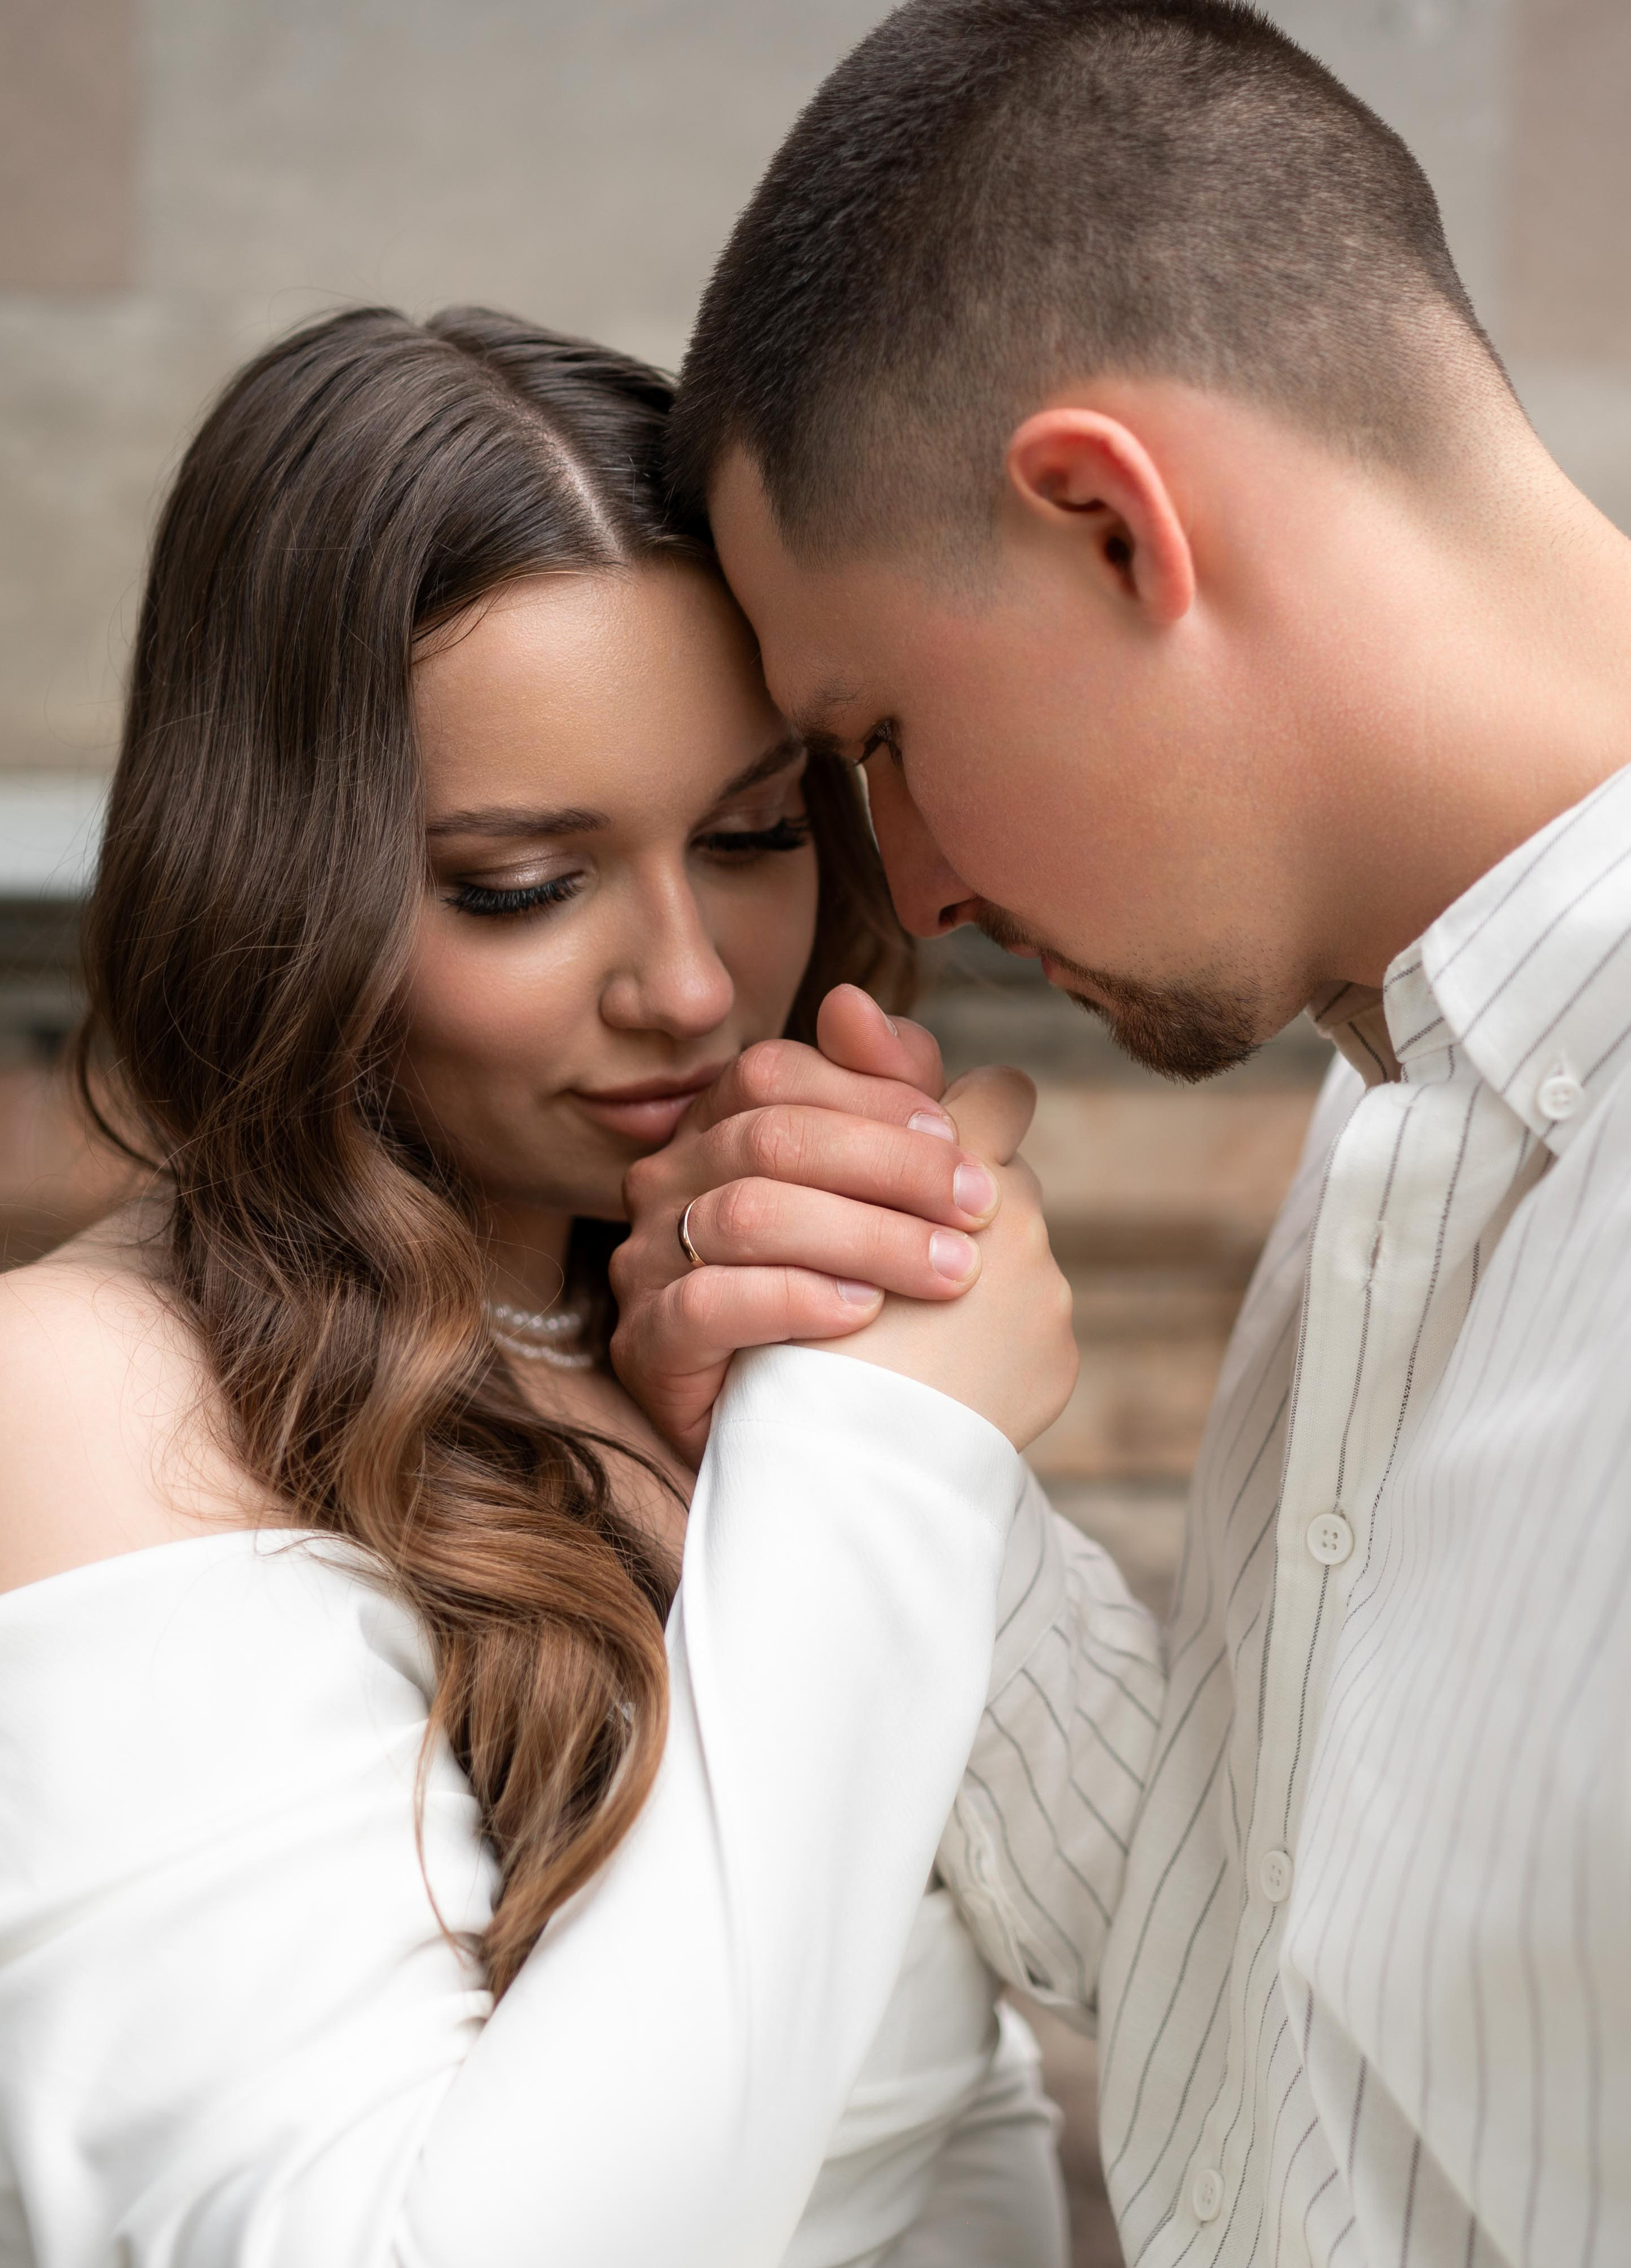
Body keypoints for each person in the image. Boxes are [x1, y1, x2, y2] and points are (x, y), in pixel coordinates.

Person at [0, 307, 1158, 2268]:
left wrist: (897, 1445)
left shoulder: (731, 1343)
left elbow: (1209, 1986)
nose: (687, 983)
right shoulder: (76, 1400)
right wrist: (878, 1459)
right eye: (521, 884)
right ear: (277, 886)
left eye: (754, 834)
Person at [607, 3, 1631, 2263]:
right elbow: (1279, 2025)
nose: (914, 891)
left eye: (878, 731)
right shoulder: (1402, 1115)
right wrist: (865, 1425)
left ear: (1106, 524)